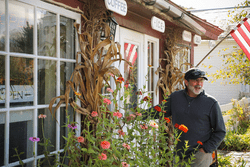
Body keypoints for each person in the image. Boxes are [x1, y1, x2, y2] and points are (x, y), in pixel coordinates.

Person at [145, 68, 226, 167]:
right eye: (195, 80)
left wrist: (205, 149)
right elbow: (159, 110)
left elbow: (220, 131)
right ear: (186, 82)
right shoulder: (175, 98)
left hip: (200, 155)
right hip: (179, 153)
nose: (199, 84)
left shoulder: (211, 103)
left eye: (201, 81)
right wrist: (138, 115)